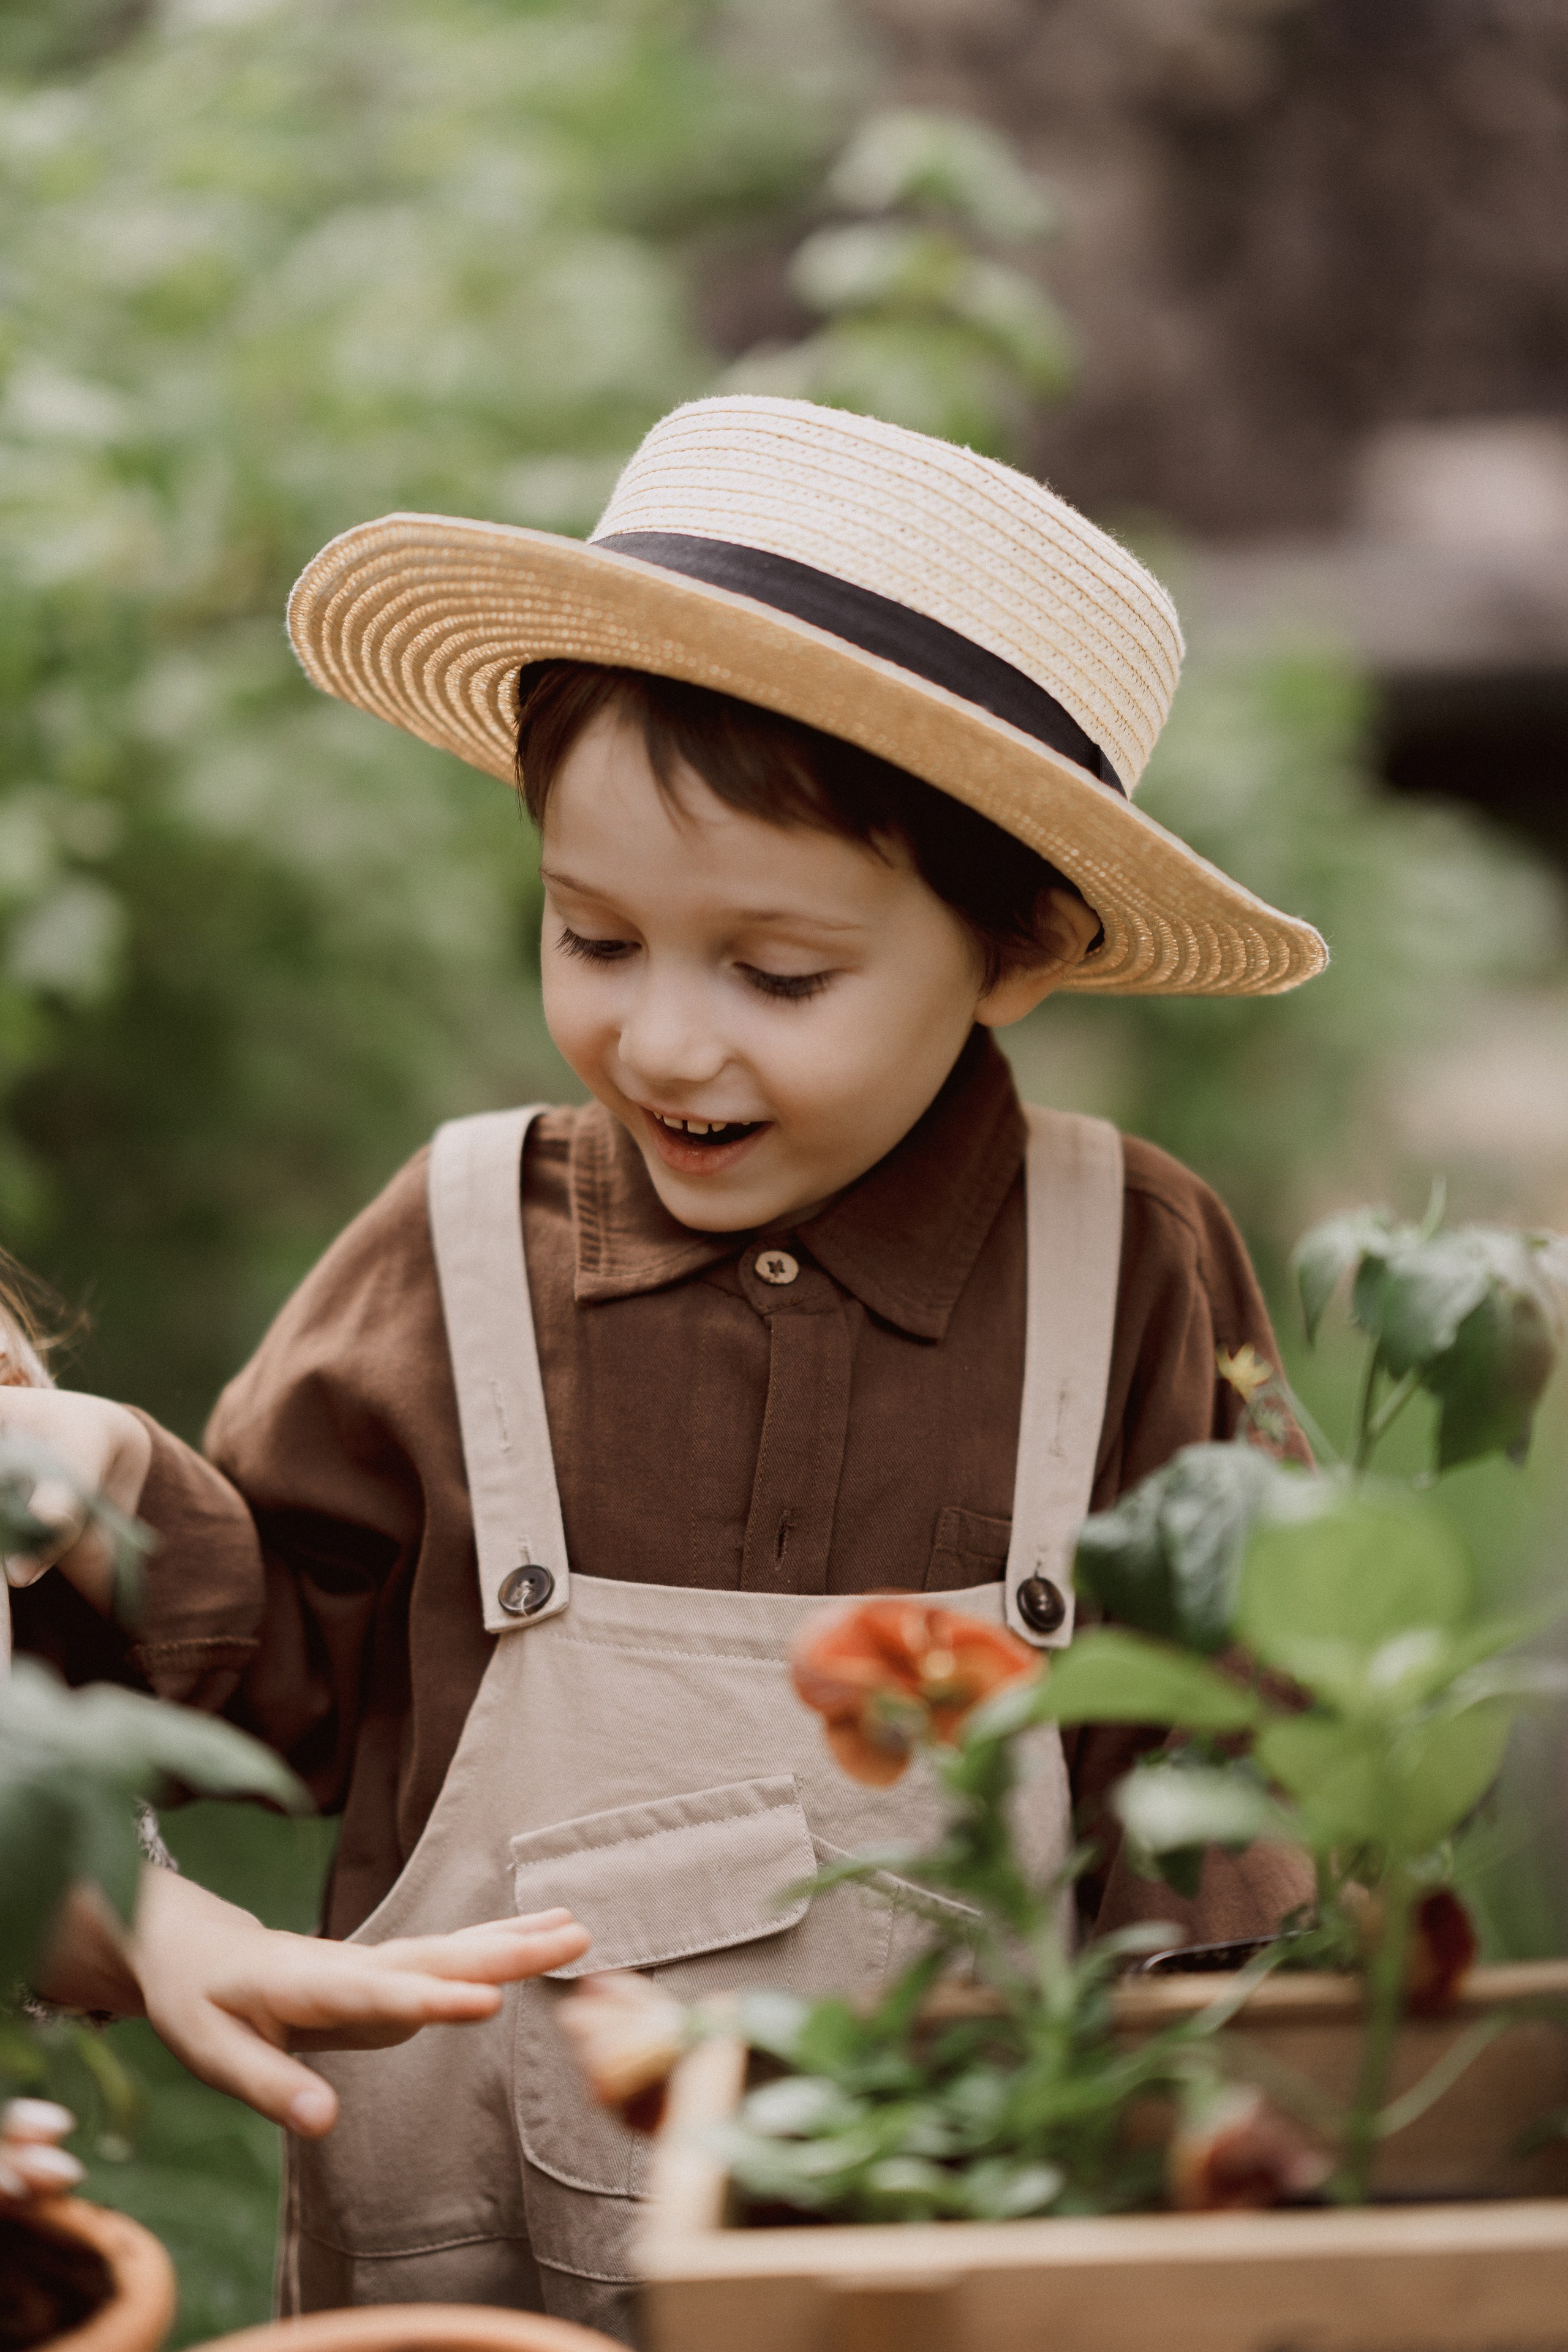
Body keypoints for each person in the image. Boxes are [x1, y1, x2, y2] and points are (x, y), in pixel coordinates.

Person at [10, 396, 1327, 2341]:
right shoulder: (465, 1244)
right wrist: (104, 1489)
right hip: (479, 2261)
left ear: (1020, 947)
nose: (664, 1043)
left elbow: (1229, 1748)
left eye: (777, 976)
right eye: (595, 937)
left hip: (961, 2259)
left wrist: (1207, 2087)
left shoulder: (1128, 1264)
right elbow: (292, 1677)